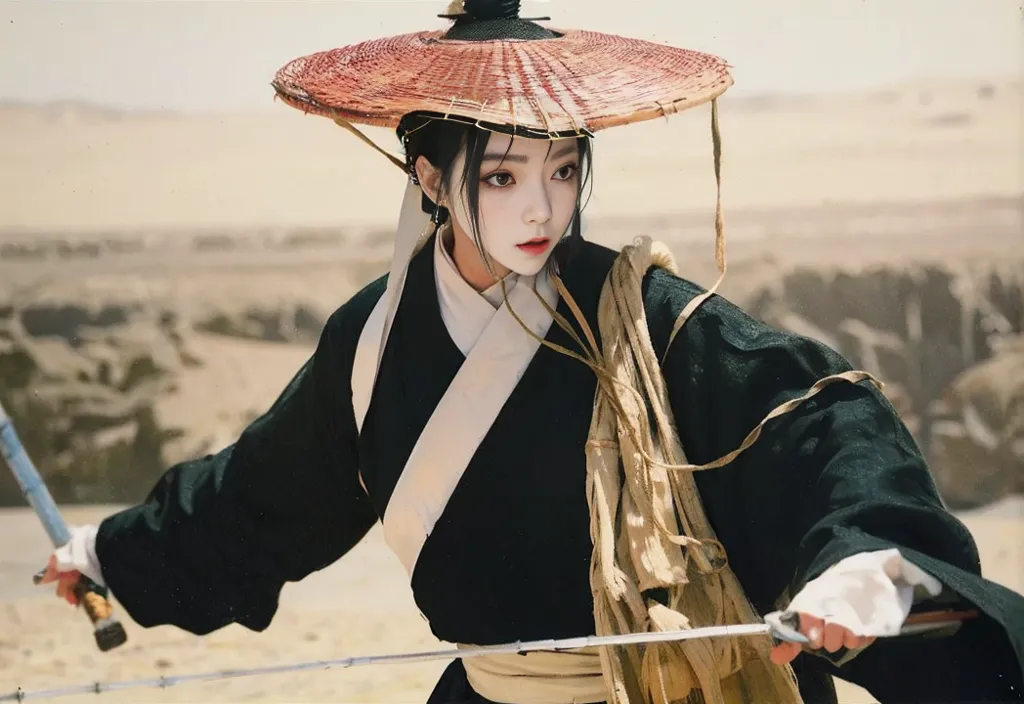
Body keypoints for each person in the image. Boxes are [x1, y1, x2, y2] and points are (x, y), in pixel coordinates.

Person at [39, 1, 1024, 703]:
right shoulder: (376, 340)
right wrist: (108, 553)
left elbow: (820, 418)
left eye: (562, 168)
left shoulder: (648, 320)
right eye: (502, 174)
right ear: (429, 175)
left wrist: (860, 560)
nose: (543, 205)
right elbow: (259, 499)